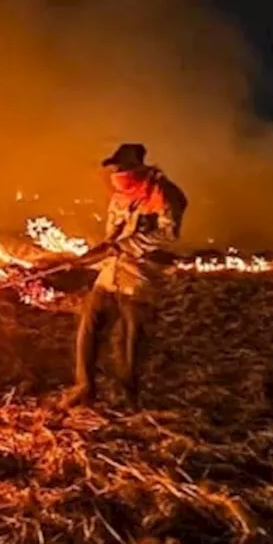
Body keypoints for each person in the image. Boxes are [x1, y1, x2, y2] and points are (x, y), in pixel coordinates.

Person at [64, 143, 186, 409]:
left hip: (141, 275)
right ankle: (84, 386)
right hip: (111, 271)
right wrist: (87, 258)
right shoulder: (120, 197)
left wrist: (125, 246)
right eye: (115, 168)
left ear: (138, 168)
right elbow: (112, 237)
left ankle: (128, 395)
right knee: (90, 323)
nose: (117, 174)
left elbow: (168, 234)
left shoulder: (164, 195)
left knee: (131, 338)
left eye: (122, 169)